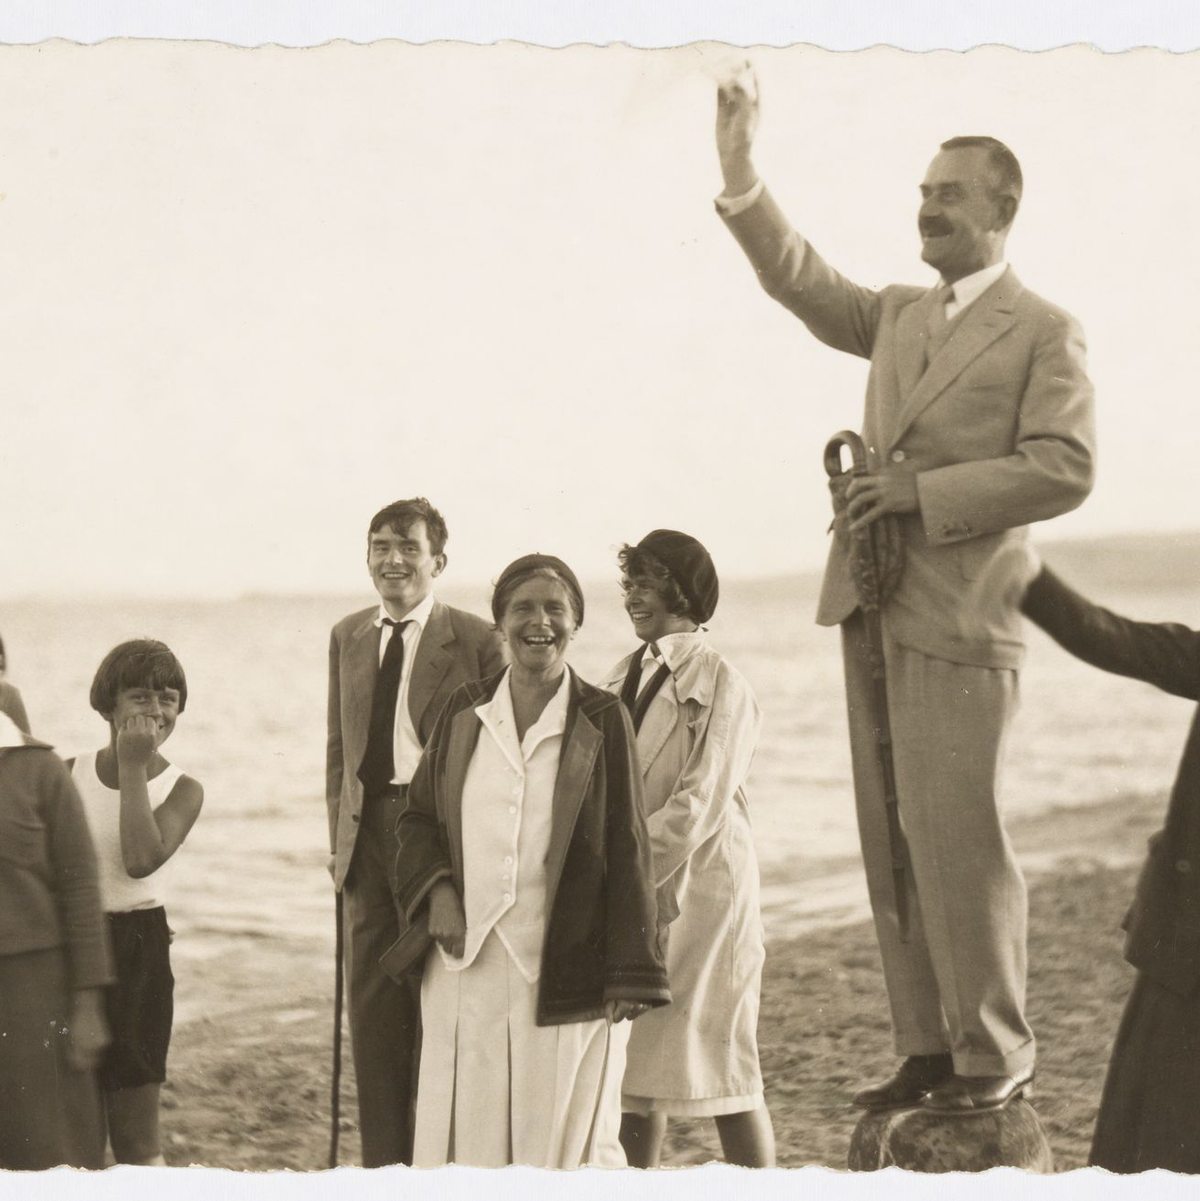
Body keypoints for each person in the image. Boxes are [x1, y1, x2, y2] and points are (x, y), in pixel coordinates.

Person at [713, 65, 1096, 1112]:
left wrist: (920, 489)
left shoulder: (1044, 329)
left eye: (949, 193)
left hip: (968, 611)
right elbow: (796, 275)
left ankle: (997, 1054)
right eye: (922, 192)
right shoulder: (895, 314)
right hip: (874, 599)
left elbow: (1065, 465)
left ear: (1002, 208)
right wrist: (741, 169)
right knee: (892, 836)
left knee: (960, 836)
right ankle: (929, 1046)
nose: (925, 207)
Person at [391, 554, 670, 1167]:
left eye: (555, 609)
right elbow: (415, 818)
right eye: (522, 608)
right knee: (468, 1137)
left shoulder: (602, 717)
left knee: (563, 1144)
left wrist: (631, 970)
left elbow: (629, 847)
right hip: (468, 962)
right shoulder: (463, 712)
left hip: (568, 961)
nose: (538, 622)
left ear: (575, 625)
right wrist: (437, 891)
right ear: (499, 623)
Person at [326, 497, 504, 1166]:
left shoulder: (477, 638)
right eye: (379, 545)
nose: (392, 558)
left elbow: (496, 751)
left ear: (439, 560)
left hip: (436, 834)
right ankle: (384, 1170)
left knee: (443, 1004)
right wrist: (339, 843)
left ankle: (444, 1165)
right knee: (372, 1015)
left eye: (407, 545)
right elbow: (338, 753)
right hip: (367, 834)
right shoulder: (347, 634)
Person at [602, 530, 776, 1167]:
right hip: (646, 885)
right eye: (630, 584)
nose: (633, 597)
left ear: (682, 590)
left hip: (706, 892)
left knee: (725, 1066)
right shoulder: (623, 673)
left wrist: (624, 868)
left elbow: (700, 801)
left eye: (647, 583)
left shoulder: (725, 682)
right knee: (639, 1072)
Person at [1020, 559, 1200, 1172]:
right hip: (1184, 948)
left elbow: (1116, 640)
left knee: (1153, 1142)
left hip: (1187, 956)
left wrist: (1028, 577)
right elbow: (1116, 639)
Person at [69, 639, 204, 1165]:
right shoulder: (65, 772)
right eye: (140, 697)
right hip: (75, 943)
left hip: (139, 948)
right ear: (107, 705)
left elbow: (140, 859)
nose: (155, 711)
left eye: (167, 698)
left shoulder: (183, 788)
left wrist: (132, 767)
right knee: (73, 1132)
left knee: (136, 1135)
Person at [0, 702, 111, 1170]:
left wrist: (88, 1004)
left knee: (50, 1152)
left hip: (34, 993)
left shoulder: (40, 769)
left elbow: (82, 889)